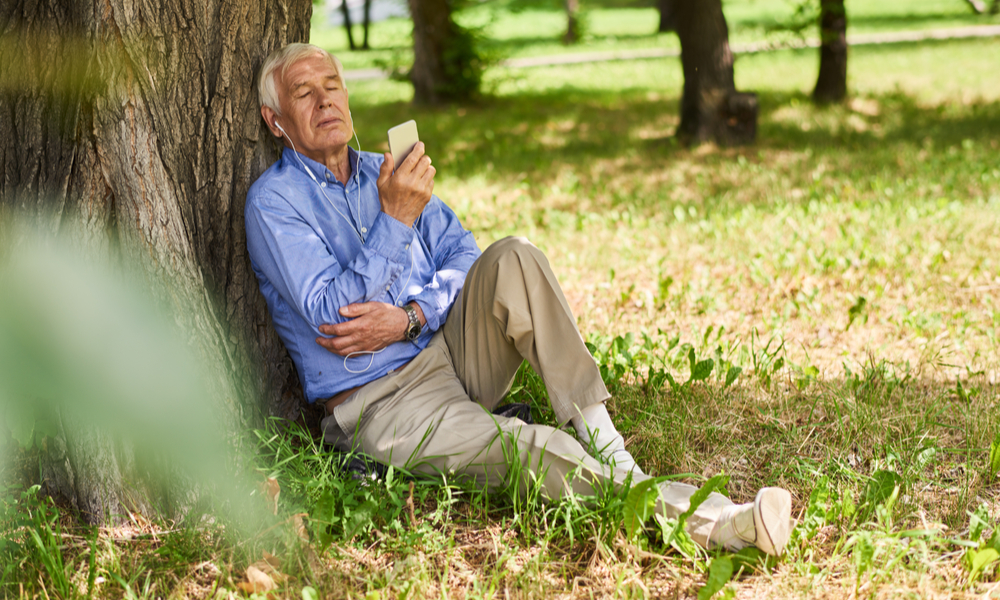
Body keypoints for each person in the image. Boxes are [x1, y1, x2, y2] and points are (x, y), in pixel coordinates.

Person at [245, 43, 793, 556]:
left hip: (446, 351)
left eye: (333, 85)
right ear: (277, 121)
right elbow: (330, 316)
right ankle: (719, 524)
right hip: (384, 403)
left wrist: (413, 316)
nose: (325, 101)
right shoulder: (274, 202)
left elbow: (464, 255)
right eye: (303, 93)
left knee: (514, 256)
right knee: (524, 446)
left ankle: (609, 446)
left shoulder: (383, 171)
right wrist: (395, 220)